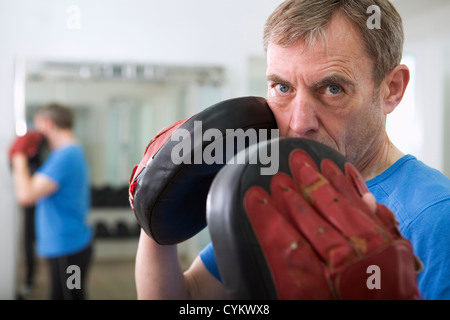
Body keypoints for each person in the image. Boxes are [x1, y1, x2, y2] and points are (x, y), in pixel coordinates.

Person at [135, 0, 450, 300]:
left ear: (391, 89)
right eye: (282, 87)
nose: (299, 124)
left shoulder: (435, 217)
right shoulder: (276, 189)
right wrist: (158, 206)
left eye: (332, 89)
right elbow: (191, 296)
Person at [10, 103, 93, 300]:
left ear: (48, 125)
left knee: (68, 297)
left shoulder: (65, 157)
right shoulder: (65, 153)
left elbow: (25, 195)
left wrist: (18, 155)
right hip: (66, 244)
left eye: (38, 126)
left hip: (68, 246)